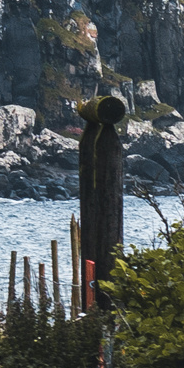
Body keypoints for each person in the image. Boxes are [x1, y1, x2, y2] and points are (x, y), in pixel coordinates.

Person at [76, 93, 127, 308]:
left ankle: (99, 312)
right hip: (100, 209)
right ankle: (100, 311)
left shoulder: (98, 140)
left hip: (102, 208)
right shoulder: (101, 141)